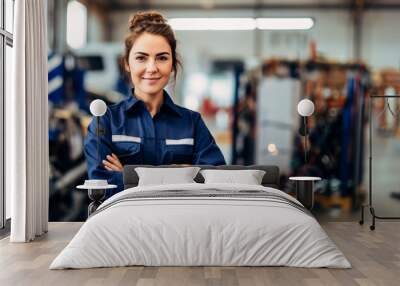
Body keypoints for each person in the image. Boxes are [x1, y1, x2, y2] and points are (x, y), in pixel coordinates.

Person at [84, 11, 226, 197]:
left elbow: (216, 180)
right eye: (141, 58)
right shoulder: (106, 122)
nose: (152, 68)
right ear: (127, 63)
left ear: (173, 64)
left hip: (180, 224)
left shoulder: (192, 123)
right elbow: (101, 186)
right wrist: (181, 173)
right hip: (124, 223)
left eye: (162, 58)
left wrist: (127, 175)